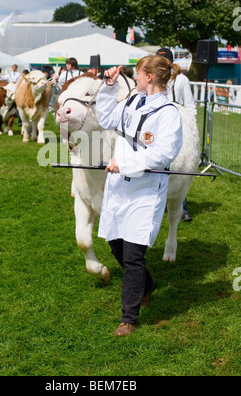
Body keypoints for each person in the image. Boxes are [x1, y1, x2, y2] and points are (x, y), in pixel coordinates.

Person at [96, 56, 183, 337]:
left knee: (134, 255)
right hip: (120, 186)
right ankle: (148, 284)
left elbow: (165, 152)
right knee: (115, 245)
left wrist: (128, 162)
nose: (134, 78)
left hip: (145, 190)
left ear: (150, 77)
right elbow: (107, 118)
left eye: (137, 74)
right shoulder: (133, 101)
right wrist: (109, 88)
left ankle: (128, 318)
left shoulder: (168, 113)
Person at [156, 47, 196, 222]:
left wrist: (190, 128)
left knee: (180, 165)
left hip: (177, 122)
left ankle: (181, 207)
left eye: (165, 61)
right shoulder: (154, 79)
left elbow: (190, 105)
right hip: (157, 123)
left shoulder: (181, 80)